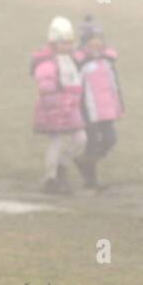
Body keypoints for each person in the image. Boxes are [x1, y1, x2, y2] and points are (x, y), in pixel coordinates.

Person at [30, 17, 85, 195]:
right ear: (53, 41)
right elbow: (46, 89)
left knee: (81, 139)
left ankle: (61, 164)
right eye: (63, 42)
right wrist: (58, 107)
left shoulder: (71, 59)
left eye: (70, 42)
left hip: (71, 110)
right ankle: (50, 178)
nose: (67, 46)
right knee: (57, 142)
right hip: (55, 112)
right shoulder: (46, 62)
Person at [73, 16, 122, 190]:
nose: (97, 45)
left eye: (99, 41)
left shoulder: (108, 60)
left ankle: (85, 162)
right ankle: (91, 179)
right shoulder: (79, 62)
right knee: (92, 142)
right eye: (92, 41)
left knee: (110, 139)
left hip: (106, 110)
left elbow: (113, 85)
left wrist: (118, 106)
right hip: (87, 110)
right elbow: (75, 88)